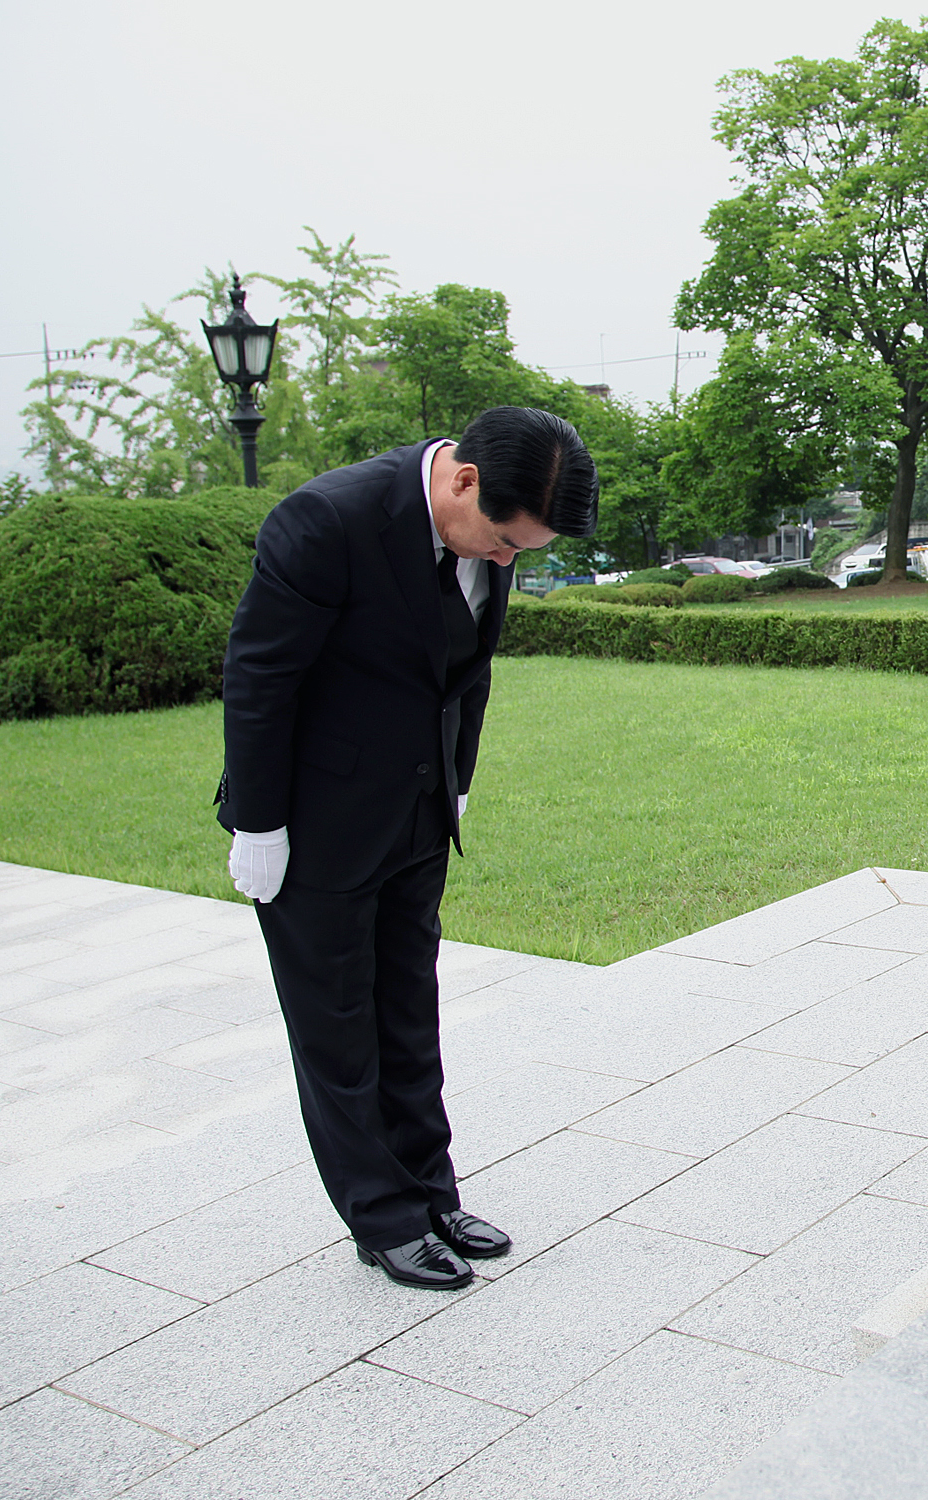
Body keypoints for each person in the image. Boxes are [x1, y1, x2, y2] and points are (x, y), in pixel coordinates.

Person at [217, 407, 599, 1289]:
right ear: (463, 480)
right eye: (504, 541)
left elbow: (465, 669)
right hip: (313, 828)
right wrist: (259, 823)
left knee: (407, 1015)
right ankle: (380, 1217)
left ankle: (431, 1192)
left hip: (420, 816)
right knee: (337, 1032)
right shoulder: (327, 520)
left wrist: (456, 779)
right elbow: (259, 676)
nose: (508, 560)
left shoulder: (488, 536)